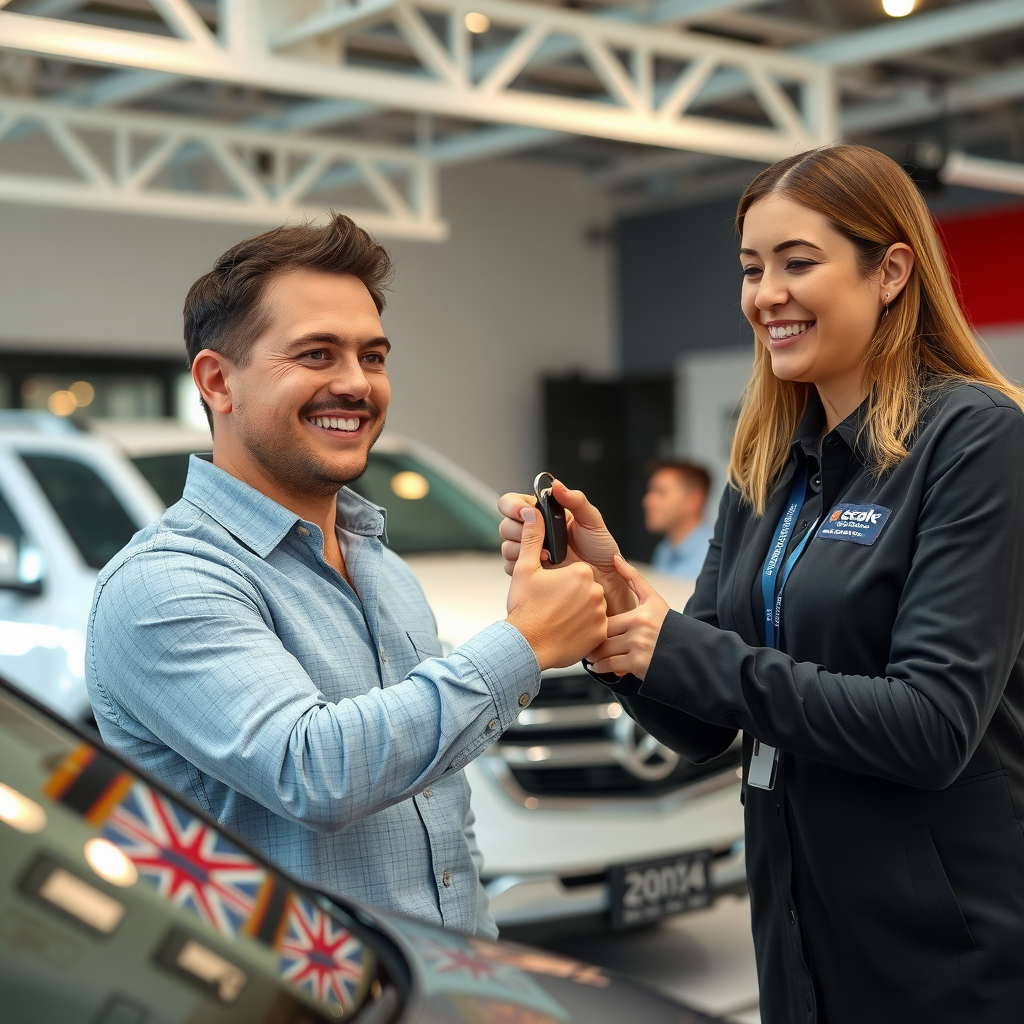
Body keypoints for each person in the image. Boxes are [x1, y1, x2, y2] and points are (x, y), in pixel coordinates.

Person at [497, 145, 1024, 1023]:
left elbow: (932, 726)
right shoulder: (769, 462)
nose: (764, 295)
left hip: (942, 950)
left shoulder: (975, 441)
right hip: (792, 925)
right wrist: (610, 610)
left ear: (891, 270)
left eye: (797, 262)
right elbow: (704, 724)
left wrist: (688, 648)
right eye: (750, 269)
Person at [86, 214, 607, 939]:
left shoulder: (380, 565)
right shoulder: (165, 584)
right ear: (216, 381)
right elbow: (316, 771)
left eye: (373, 356)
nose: (355, 384)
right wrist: (524, 643)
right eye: (316, 354)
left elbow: (440, 819)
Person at [643, 460, 713, 579]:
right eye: (650, 491)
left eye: (661, 492)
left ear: (694, 501)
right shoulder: (664, 549)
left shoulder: (715, 556)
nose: (647, 501)